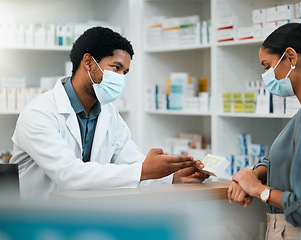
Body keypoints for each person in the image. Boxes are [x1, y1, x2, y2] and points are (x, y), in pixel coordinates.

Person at [9, 27, 207, 201]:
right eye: (116, 68)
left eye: (125, 72)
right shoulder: (39, 113)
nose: (120, 78)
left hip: (83, 219)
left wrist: (172, 176)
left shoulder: (109, 114)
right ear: (88, 62)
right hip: (36, 221)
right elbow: (68, 174)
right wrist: (144, 170)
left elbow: (132, 166)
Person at [227, 23, 301, 239]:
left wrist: (258, 189)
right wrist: (253, 173)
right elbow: (289, 157)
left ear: (291, 57)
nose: (265, 75)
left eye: (267, 66)